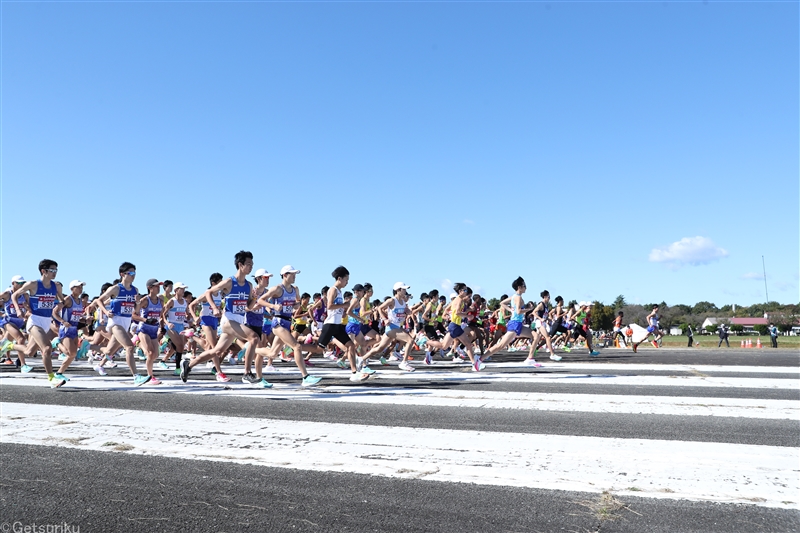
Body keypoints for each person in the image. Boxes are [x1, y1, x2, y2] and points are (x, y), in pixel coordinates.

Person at [180, 251, 260, 384]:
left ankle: (189, 365)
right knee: (254, 338)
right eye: (248, 264)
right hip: (229, 320)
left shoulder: (249, 285)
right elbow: (208, 292)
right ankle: (247, 373)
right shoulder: (229, 282)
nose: (251, 267)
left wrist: (255, 297)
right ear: (240, 265)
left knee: (217, 351)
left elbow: (249, 306)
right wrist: (215, 308)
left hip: (239, 320)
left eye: (252, 264)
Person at [6, 260, 66, 387]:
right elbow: (14, 295)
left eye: (56, 270)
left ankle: (9, 346)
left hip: (46, 321)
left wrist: (60, 304)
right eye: (52, 270)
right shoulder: (33, 284)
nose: (55, 273)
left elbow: (62, 300)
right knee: (47, 348)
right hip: (34, 321)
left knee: (29, 352)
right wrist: (17, 309)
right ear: (43, 271)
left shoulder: (56, 286)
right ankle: (51, 378)